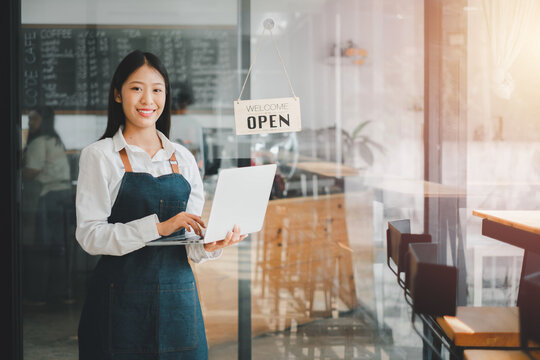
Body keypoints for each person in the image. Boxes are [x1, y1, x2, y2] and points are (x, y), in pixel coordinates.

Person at [75, 50, 246, 359]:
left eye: (157, 89)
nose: (147, 100)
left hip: (178, 301)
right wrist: (157, 227)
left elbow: (189, 244)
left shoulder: (183, 158)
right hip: (118, 301)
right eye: (136, 88)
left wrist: (210, 244)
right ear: (117, 93)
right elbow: (90, 236)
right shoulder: (99, 156)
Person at [22, 105, 72, 305]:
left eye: (33, 119)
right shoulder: (56, 140)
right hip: (63, 194)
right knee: (58, 248)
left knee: (41, 248)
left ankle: (38, 296)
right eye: (29, 119)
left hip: (47, 196)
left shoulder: (38, 143)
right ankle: (61, 293)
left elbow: (32, 171)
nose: (30, 123)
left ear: (44, 121)